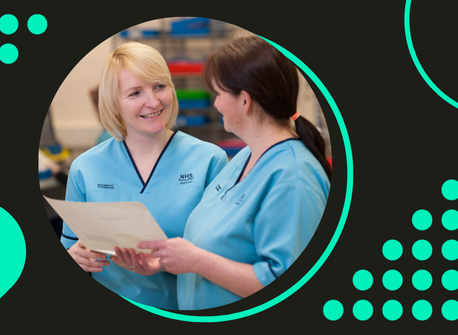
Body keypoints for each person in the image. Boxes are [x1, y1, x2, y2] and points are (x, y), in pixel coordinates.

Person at [125, 36, 331, 310]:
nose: (216, 104)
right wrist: (168, 263)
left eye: (219, 94)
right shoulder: (244, 158)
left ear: (244, 101)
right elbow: (222, 252)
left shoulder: (293, 177)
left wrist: (196, 260)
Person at [60, 41, 229, 310]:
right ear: (114, 103)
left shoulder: (210, 160)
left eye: (159, 86)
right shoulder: (86, 169)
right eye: (135, 92)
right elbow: (70, 252)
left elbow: (226, 255)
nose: (153, 102)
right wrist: (76, 256)